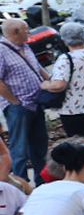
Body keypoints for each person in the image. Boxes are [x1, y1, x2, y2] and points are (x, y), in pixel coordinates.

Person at [0, 18, 50, 182]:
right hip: (19, 107)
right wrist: (14, 101)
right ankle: (20, 184)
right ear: (15, 32)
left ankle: (41, 181)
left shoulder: (24, 45)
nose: (29, 33)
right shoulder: (1, 50)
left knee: (39, 145)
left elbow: (35, 65)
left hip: (36, 103)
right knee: (19, 148)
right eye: (26, 30)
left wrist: (48, 79)